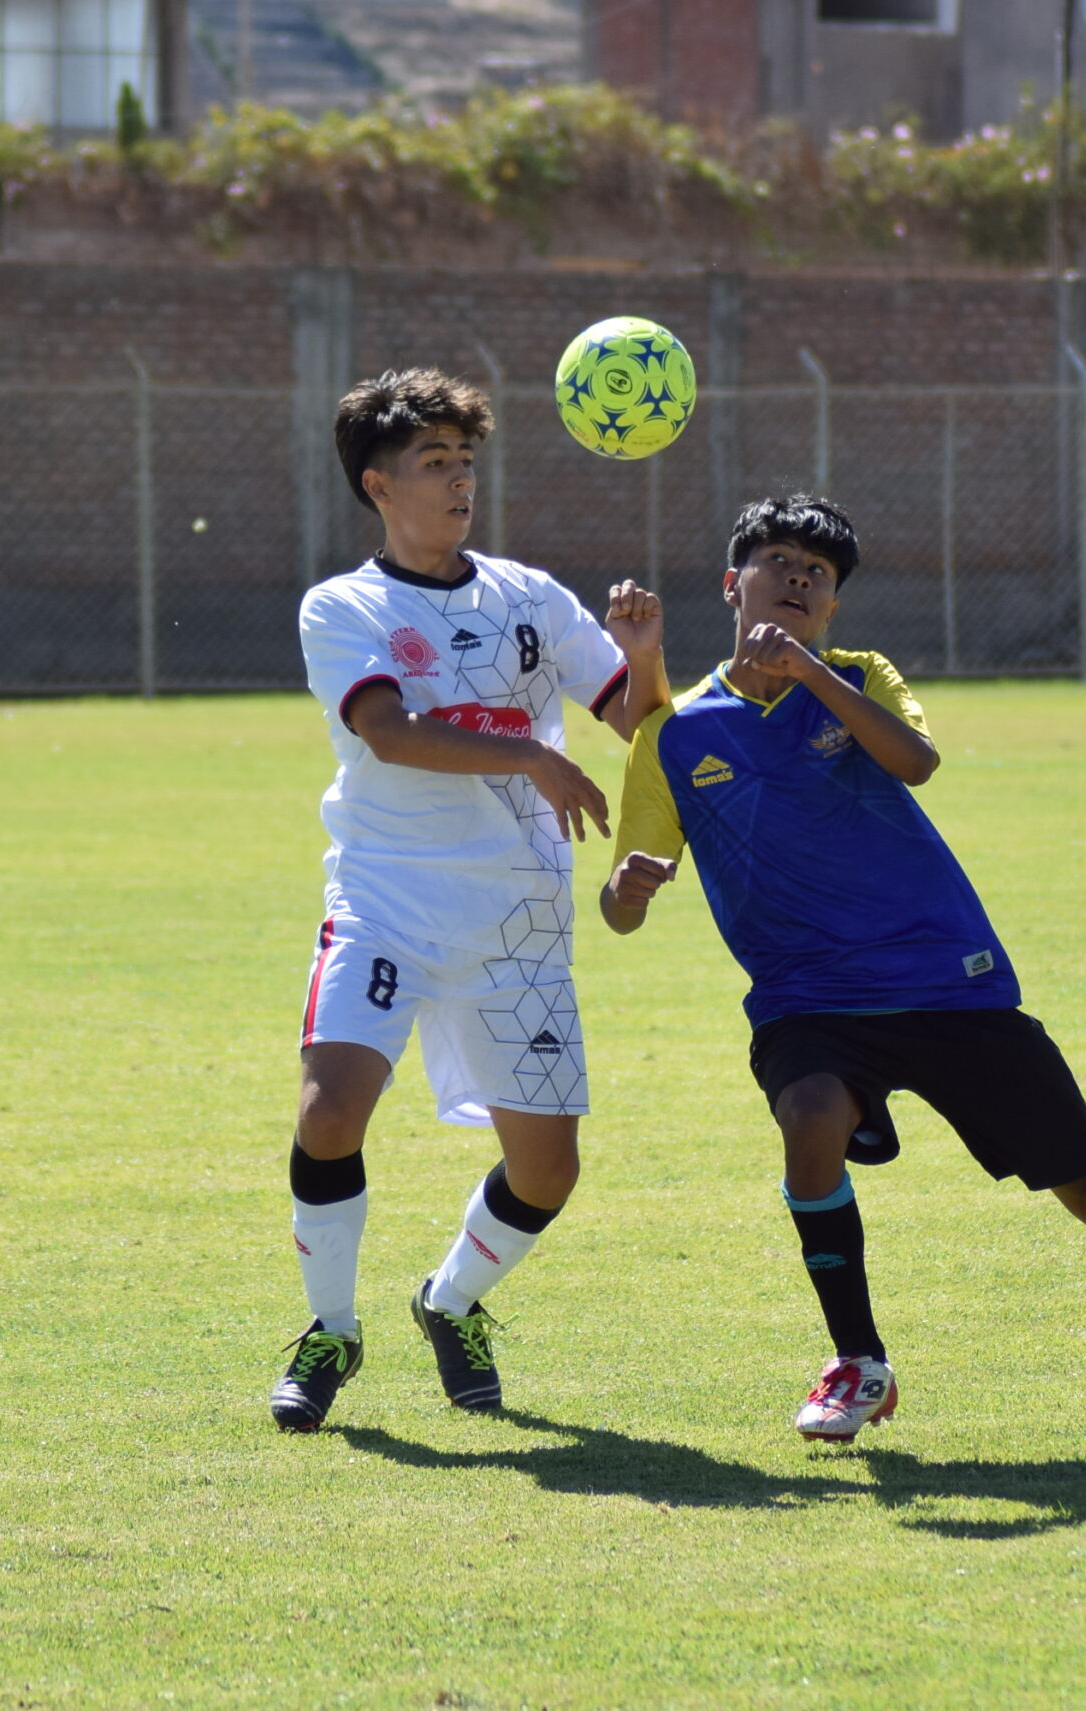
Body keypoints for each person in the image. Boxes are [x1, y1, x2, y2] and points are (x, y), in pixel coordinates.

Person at [599, 494, 1086, 1443]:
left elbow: (915, 761)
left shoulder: (860, 675)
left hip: (945, 981)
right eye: (780, 562)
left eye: (818, 575)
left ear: (832, 607)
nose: (798, 579)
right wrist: (629, 892)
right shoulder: (674, 734)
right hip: (808, 998)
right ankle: (858, 1363)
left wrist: (805, 674)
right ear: (732, 583)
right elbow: (620, 910)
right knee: (810, 1117)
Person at [271, 368, 666, 1431]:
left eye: (465, 462)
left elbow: (637, 721)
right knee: (330, 1112)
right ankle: (329, 1330)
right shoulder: (343, 604)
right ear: (378, 484)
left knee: (547, 1168)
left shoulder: (532, 597)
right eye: (433, 464)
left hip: (515, 918)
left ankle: (450, 1302)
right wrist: (533, 761)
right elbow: (387, 730)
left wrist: (645, 656)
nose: (459, 483)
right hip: (387, 899)